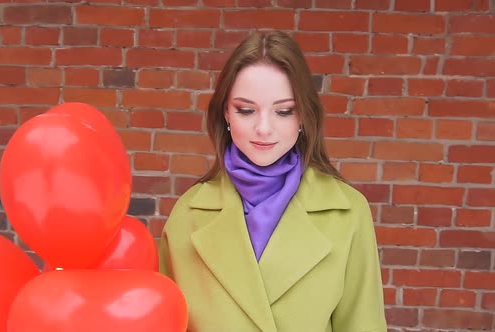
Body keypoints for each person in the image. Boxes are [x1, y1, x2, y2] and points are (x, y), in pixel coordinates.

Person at [158, 30, 387, 332]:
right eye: (246, 110)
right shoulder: (187, 214)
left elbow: (363, 324)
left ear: (304, 116)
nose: (264, 128)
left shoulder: (348, 212)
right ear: (226, 113)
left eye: (283, 111)